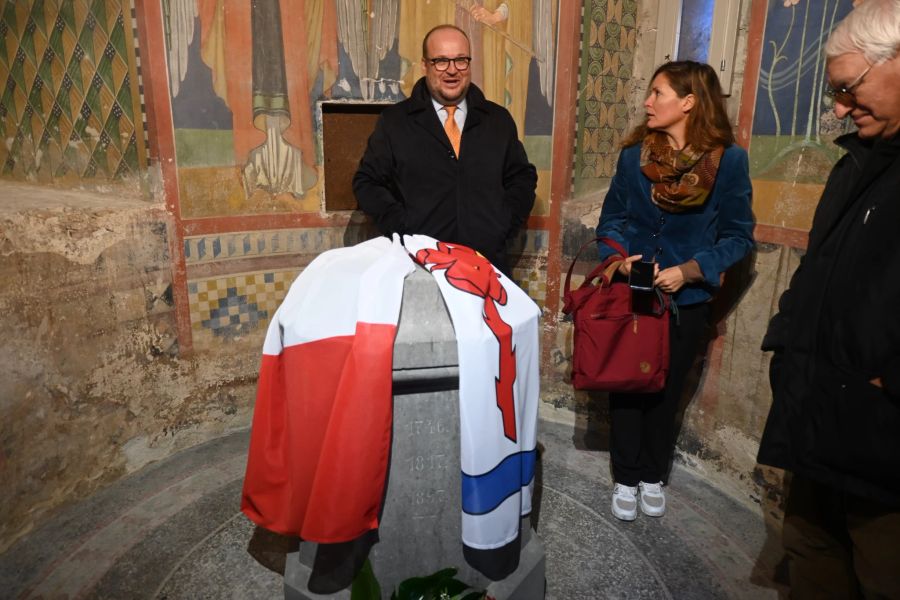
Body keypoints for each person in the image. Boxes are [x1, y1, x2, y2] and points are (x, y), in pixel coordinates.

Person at [757, 1, 900, 596]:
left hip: (885, 444)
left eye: (848, 89)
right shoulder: (857, 162)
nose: (839, 108)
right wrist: (790, 337)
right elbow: (820, 266)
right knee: (811, 553)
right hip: (817, 415)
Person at [594, 61, 754, 522]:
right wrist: (621, 257)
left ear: (688, 102)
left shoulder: (730, 161)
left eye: (657, 92)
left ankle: (651, 473)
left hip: (686, 302)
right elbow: (611, 222)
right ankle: (624, 476)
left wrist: (690, 270)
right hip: (633, 296)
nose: (647, 102)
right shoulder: (633, 157)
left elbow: (739, 236)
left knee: (666, 392)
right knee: (626, 389)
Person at [353, 24, 537, 276]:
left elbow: (522, 178)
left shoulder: (497, 120)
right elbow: (367, 182)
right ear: (424, 65)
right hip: (421, 268)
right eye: (441, 61)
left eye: (461, 60)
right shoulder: (395, 122)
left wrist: (503, 223)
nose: (452, 70)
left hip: (487, 266)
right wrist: (403, 228)